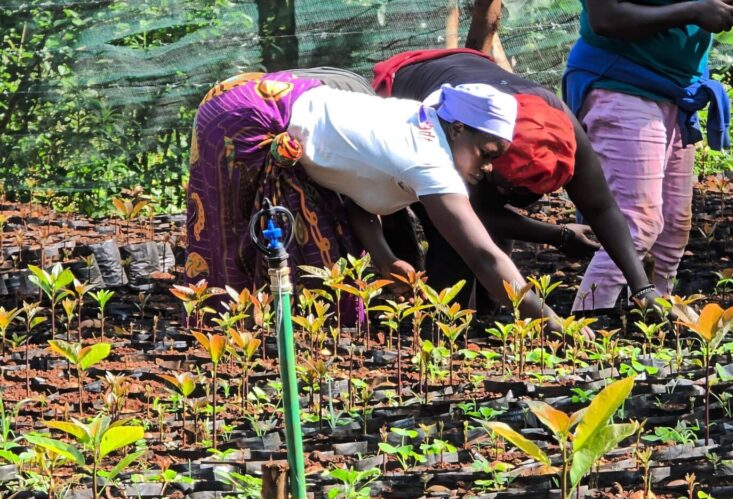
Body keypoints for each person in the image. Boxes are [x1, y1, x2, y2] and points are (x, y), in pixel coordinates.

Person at [184, 70, 561, 326]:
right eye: (488, 153)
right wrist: (551, 322)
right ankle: (222, 332)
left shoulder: (426, 122)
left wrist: (384, 259)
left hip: (285, 97)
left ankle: (274, 330)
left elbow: (353, 195)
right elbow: (483, 256)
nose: (490, 168)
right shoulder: (428, 160)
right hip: (246, 115)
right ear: (459, 129)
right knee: (232, 233)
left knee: (319, 250)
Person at [373, 47, 665, 313]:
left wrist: (643, 287)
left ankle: (488, 316)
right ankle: (436, 327)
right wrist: (557, 235)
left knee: (494, 248)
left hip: (469, 71)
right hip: (408, 89)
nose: (514, 199)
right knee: (453, 243)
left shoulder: (562, 130)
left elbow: (602, 208)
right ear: (490, 158)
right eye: (506, 188)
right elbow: (471, 217)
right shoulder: (465, 136)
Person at [563, 0, 733, 311]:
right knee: (636, 225)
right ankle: (586, 329)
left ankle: (656, 325)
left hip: (675, 90)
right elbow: (606, 17)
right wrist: (694, 11)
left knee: (673, 228)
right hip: (621, 83)